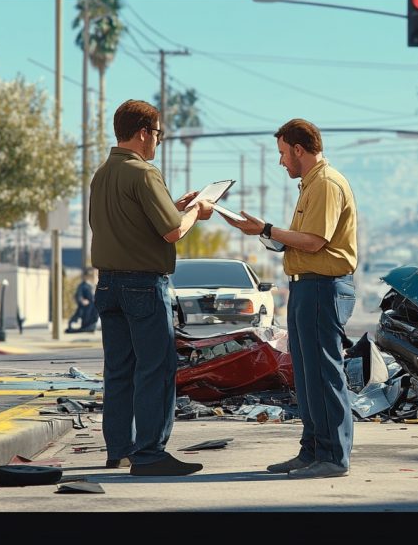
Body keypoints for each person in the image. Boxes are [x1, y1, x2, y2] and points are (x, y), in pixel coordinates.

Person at [221, 118, 357, 480]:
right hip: (306, 286)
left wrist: (265, 229)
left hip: (322, 288)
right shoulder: (310, 185)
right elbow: (303, 239)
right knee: (308, 375)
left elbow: (315, 241)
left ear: (299, 149)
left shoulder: (326, 184)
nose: (281, 161)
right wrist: (268, 233)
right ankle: (312, 451)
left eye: (283, 153)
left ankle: (333, 456)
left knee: (324, 374)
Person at [89, 99, 213, 476]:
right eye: (157, 133)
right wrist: (197, 211)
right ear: (144, 133)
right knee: (156, 369)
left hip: (107, 284)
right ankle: (151, 454)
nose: (158, 140)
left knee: (119, 369)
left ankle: (119, 449)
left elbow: (132, 221)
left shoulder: (102, 174)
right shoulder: (144, 173)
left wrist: (174, 206)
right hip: (143, 284)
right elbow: (173, 230)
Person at [66, 268, 98, 333]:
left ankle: (90, 327)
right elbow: (78, 295)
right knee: (85, 317)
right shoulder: (83, 285)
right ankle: (86, 327)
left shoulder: (92, 285)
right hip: (87, 307)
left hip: (93, 307)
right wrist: (82, 300)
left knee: (93, 317)